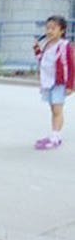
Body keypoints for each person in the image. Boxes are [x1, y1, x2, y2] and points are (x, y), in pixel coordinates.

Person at [33, 15, 74, 150]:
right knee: (53, 109)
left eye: (53, 28)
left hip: (59, 83)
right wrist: (37, 50)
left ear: (62, 30)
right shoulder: (47, 44)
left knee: (57, 110)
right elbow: (43, 61)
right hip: (48, 82)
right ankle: (55, 135)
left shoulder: (64, 46)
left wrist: (70, 85)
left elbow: (70, 65)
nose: (49, 31)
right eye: (48, 28)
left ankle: (55, 137)